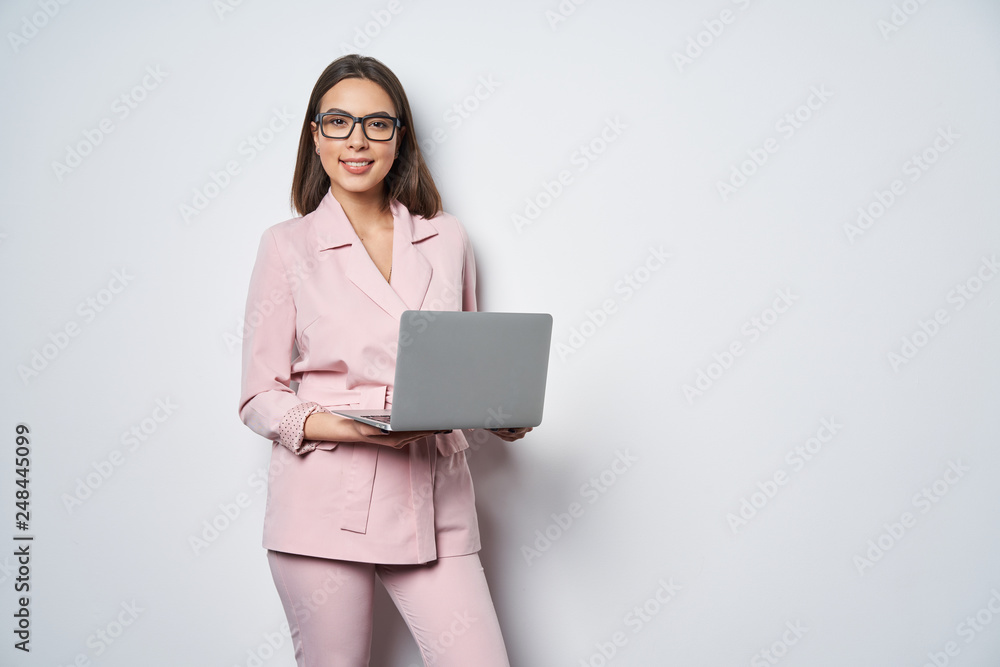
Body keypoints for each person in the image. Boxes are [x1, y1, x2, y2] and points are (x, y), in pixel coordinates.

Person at [238, 54, 528, 667]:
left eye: (376, 123)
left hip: (435, 496)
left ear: (400, 137)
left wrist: (498, 409)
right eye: (338, 121)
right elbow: (258, 396)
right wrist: (347, 426)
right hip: (324, 500)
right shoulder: (286, 247)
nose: (357, 140)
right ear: (314, 135)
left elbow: (464, 364)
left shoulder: (446, 238)